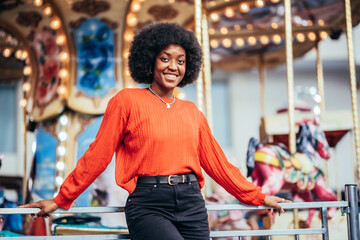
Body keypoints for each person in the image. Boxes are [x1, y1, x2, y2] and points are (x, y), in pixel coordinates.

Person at [20, 22, 290, 240]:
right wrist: (61, 199)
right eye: (165, 58)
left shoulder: (192, 112)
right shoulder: (126, 101)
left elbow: (219, 165)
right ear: (150, 61)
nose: (174, 66)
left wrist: (258, 196)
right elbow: (97, 156)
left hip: (191, 203)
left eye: (181, 61)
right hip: (149, 204)